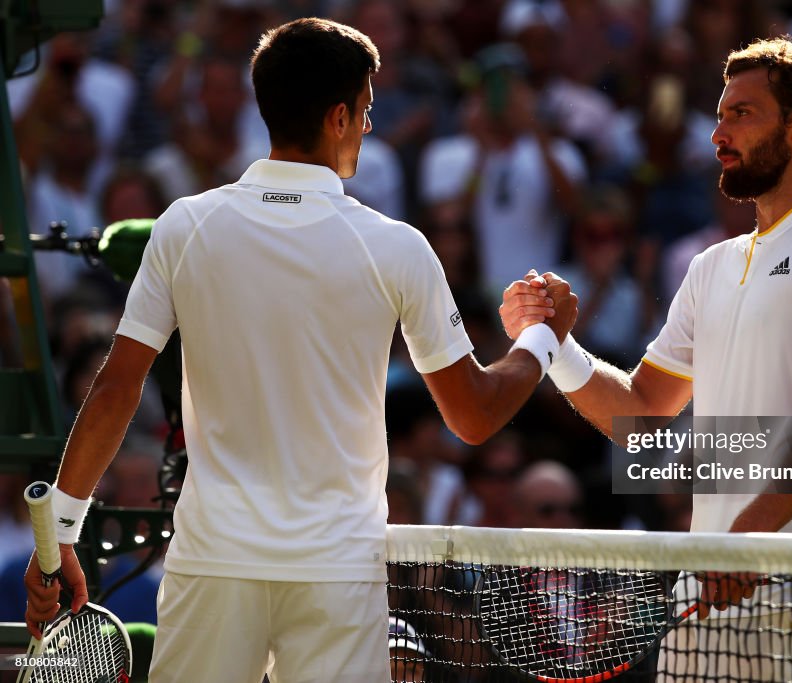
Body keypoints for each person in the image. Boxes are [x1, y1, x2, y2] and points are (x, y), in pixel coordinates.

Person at [23, 18, 575, 683]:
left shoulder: (185, 226)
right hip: (336, 572)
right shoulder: (396, 246)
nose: (369, 130)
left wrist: (60, 533)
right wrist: (543, 337)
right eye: (366, 113)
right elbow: (474, 415)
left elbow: (115, 388)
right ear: (339, 117)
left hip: (214, 560)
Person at [501, 38, 792, 682]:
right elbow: (640, 410)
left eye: (742, 113)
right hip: (710, 590)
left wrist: (743, 540)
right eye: (719, 115)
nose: (719, 132)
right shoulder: (709, 266)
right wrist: (557, 345)